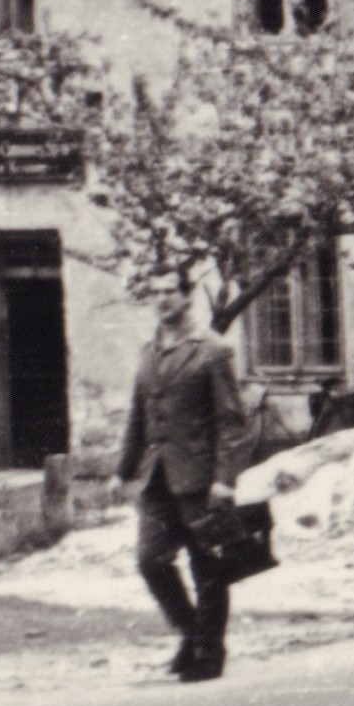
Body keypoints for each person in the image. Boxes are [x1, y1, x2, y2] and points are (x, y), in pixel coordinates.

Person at [116, 287, 253, 682]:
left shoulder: (212, 349)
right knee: (150, 560)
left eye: (170, 292)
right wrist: (121, 471)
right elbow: (137, 418)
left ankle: (209, 654)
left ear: (187, 296)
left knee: (206, 566)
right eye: (154, 293)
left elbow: (233, 422)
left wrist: (225, 480)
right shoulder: (149, 352)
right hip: (156, 478)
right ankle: (195, 634)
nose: (161, 299)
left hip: (200, 478)